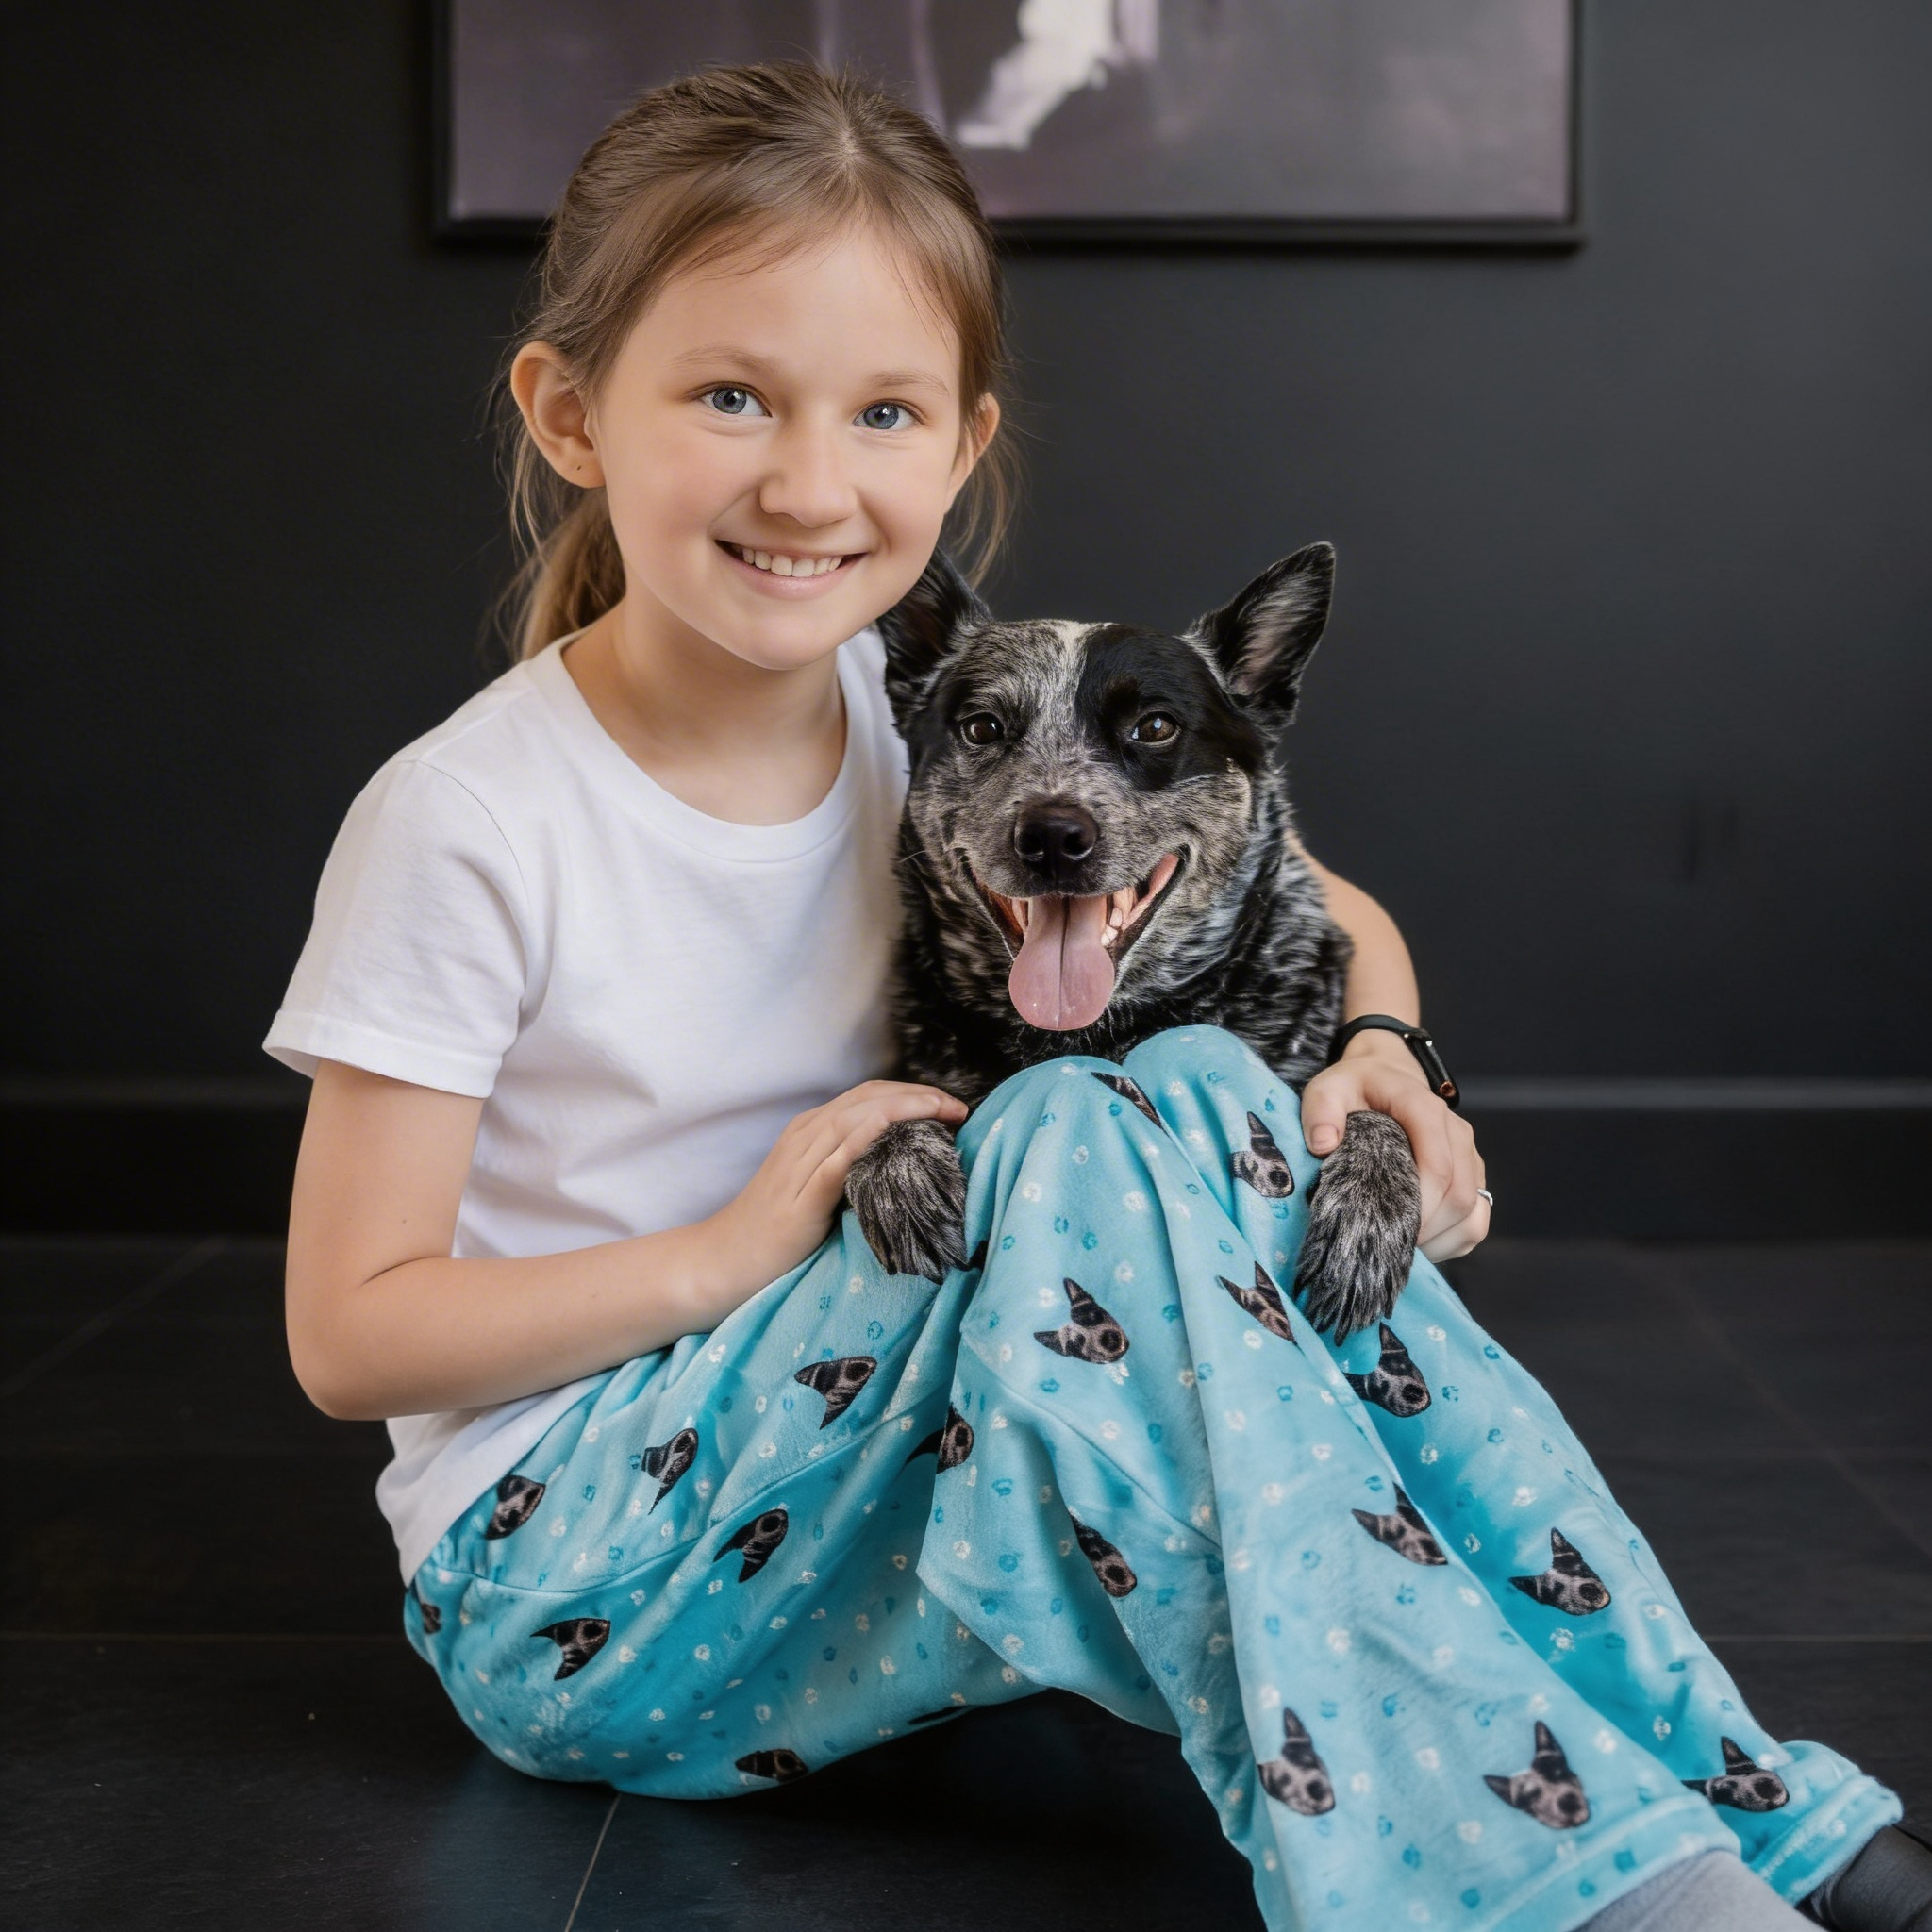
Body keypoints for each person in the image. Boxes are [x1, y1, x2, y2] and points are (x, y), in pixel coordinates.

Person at [265, 58, 1926, 1932]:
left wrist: (1385, 1056)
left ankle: (1729, 1799)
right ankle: (1550, 1887)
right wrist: (740, 1237)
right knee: (1079, 1114)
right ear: (570, 414)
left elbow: (1312, 897)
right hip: (578, 1583)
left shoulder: (947, 732)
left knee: (1197, 1077)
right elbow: (351, 1333)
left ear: (958, 448)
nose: (809, 481)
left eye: (880, 411)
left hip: (856, 1479)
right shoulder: (472, 816)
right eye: (730, 395)